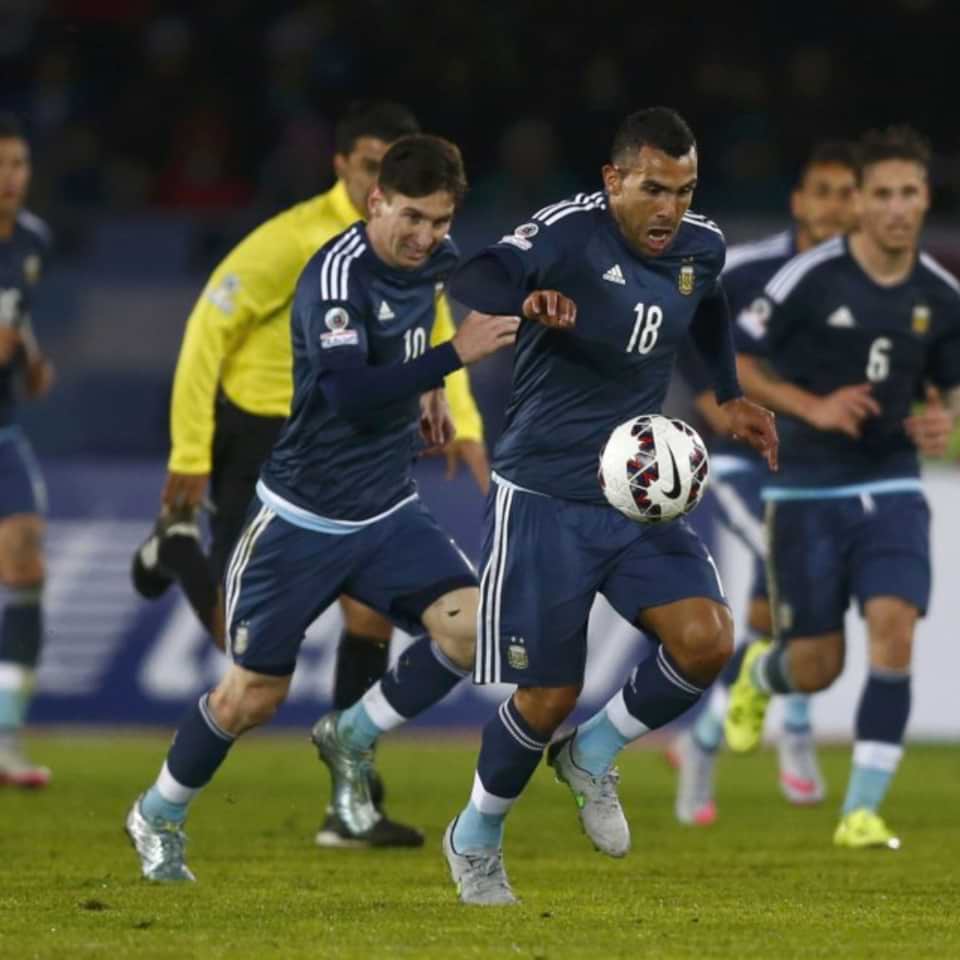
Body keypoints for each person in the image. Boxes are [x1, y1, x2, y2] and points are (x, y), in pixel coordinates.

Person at [125, 134, 519, 883]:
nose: (427, 237)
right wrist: (449, 361)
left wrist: (433, 393)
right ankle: (159, 811)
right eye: (412, 217)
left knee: (476, 630)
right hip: (298, 522)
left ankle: (353, 731)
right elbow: (345, 391)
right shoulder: (333, 278)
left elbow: (422, 324)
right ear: (376, 201)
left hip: (386, 512)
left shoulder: (433, 260)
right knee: (252, 698)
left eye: (440, 221)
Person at [440, 107, 778, 905]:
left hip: (636, 494)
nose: (670, 209)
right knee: (546, 693)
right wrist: (526, 302)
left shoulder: (701, 243)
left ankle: (591, 752)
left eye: (685, 190)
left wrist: (725, 396)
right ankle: (477, 834)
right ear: (614, 180)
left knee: (705, 643)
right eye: (654, 189)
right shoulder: (565, 234)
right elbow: (474, 277)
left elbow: (709, 303)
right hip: (545, 492)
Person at [723, 125, 960, 850]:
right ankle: (763, 673)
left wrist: (943, 419)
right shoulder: (809, 278)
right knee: (818, 667)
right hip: (805, 492)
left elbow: (946, 388)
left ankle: (861, 812)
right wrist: (813, 407)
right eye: (880, 193)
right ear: (860, 203)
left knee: (895, 628)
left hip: (891, 485)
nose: (894, 207)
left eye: (908, 193)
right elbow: (744, 365)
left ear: (925, 201)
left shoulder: (941, 295)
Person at [669, 141, 861, 825]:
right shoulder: (749, 268)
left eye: (848, 193)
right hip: (746, 459)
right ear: (800, 202)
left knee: (769, 612)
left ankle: (702, 742)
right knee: (797, 589)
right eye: (825, 191)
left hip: (820, 466)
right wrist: (704, 391)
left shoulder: (866, 282)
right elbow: (686, 315)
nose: (837, 205)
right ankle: (799, 735)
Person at [0, 114, 55, 787]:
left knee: (26, 554)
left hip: (4, 427)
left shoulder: (34, 239)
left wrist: (35, 361)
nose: (8, 179)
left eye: (17, 164)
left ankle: (7, 738)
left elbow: (20, 316)